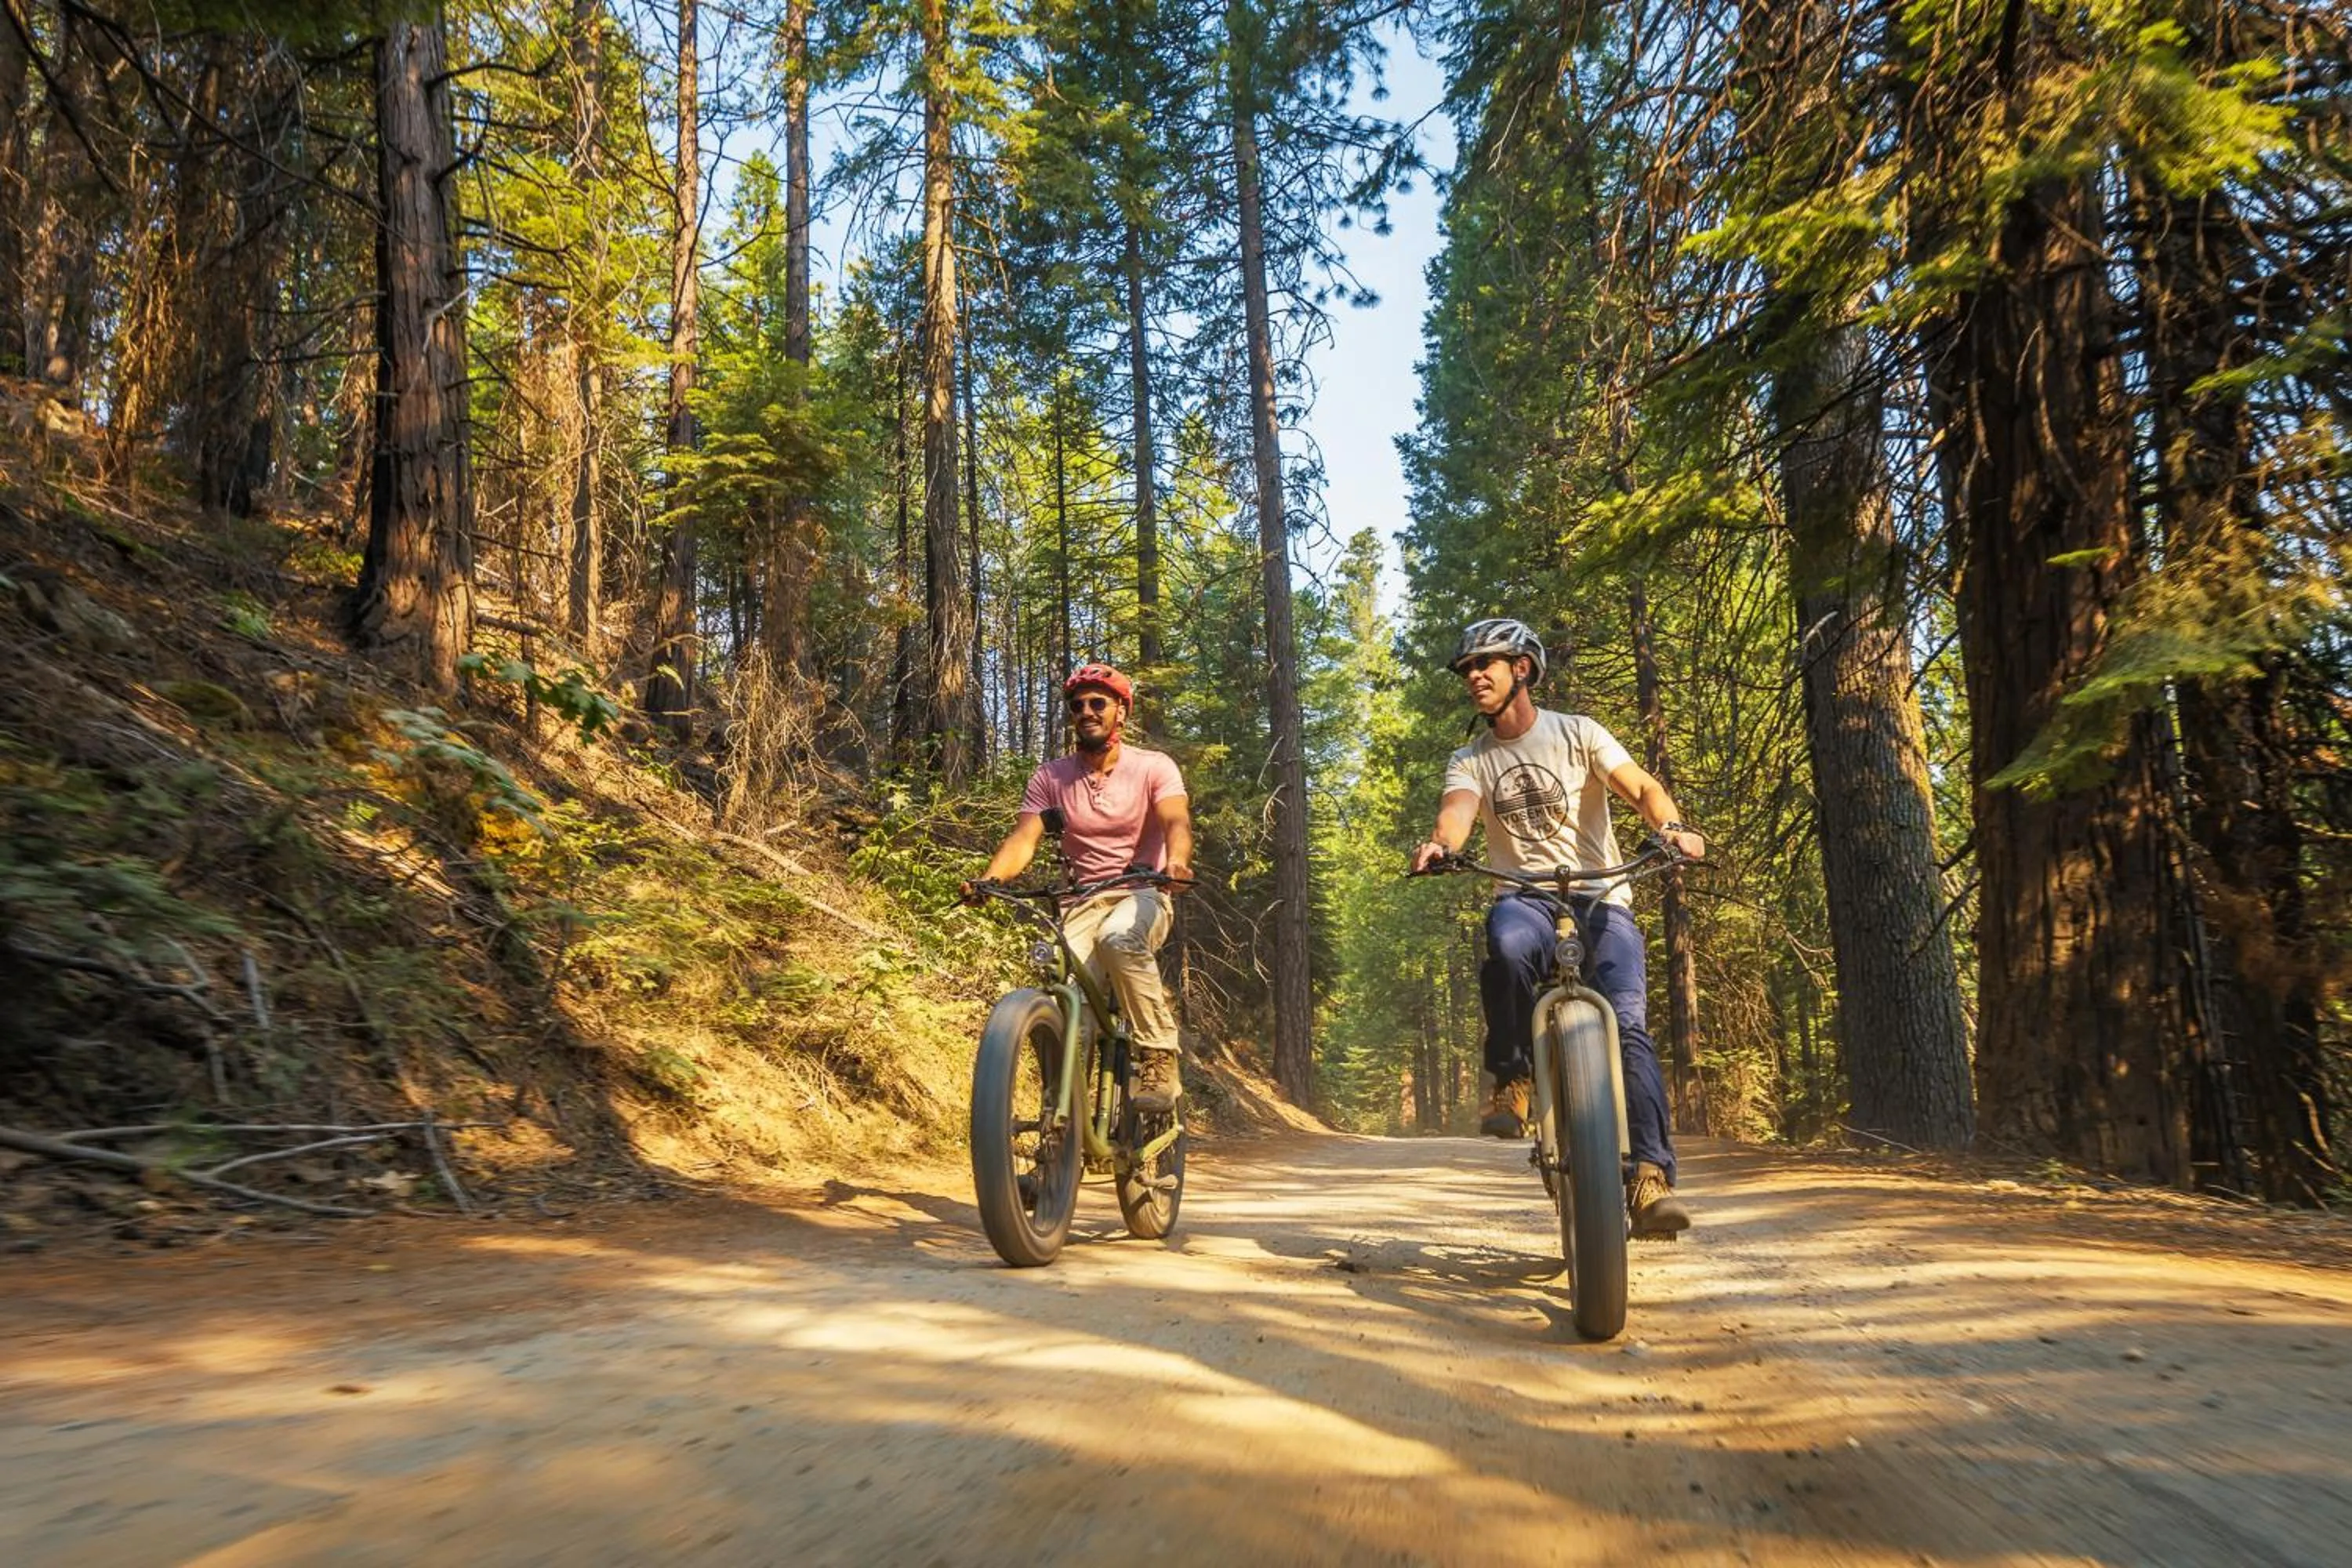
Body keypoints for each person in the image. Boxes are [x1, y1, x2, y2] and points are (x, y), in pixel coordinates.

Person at [1408, 618, 1703, 1237]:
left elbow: (1640, 786)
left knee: (1629, 1029)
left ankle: (1650, 1176)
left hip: (1602, 898)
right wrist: (1441, 845)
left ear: (1522, 669)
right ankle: (1513, 1074)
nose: (1473, 677)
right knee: (1508, 946)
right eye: (1466, 669)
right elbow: (1457, 812)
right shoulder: (1472, 758)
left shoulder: (1578, 733)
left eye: (1484, 663)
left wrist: (1671, 828)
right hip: (1526, 898)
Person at [966, 662, 1194, 1111]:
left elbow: (1176, 821)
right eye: (1077, 705)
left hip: (1142, 891)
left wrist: (1179, 864)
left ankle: (1158, 1053)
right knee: (1062, 984)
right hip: (1081, 902)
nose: (1086, 711)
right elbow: (1023, 838)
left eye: (1097, 703)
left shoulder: (1153, 767)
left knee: (1119, 937)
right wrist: (990, 879)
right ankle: (1062, 1116)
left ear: (1121, 713)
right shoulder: (1050, 778)